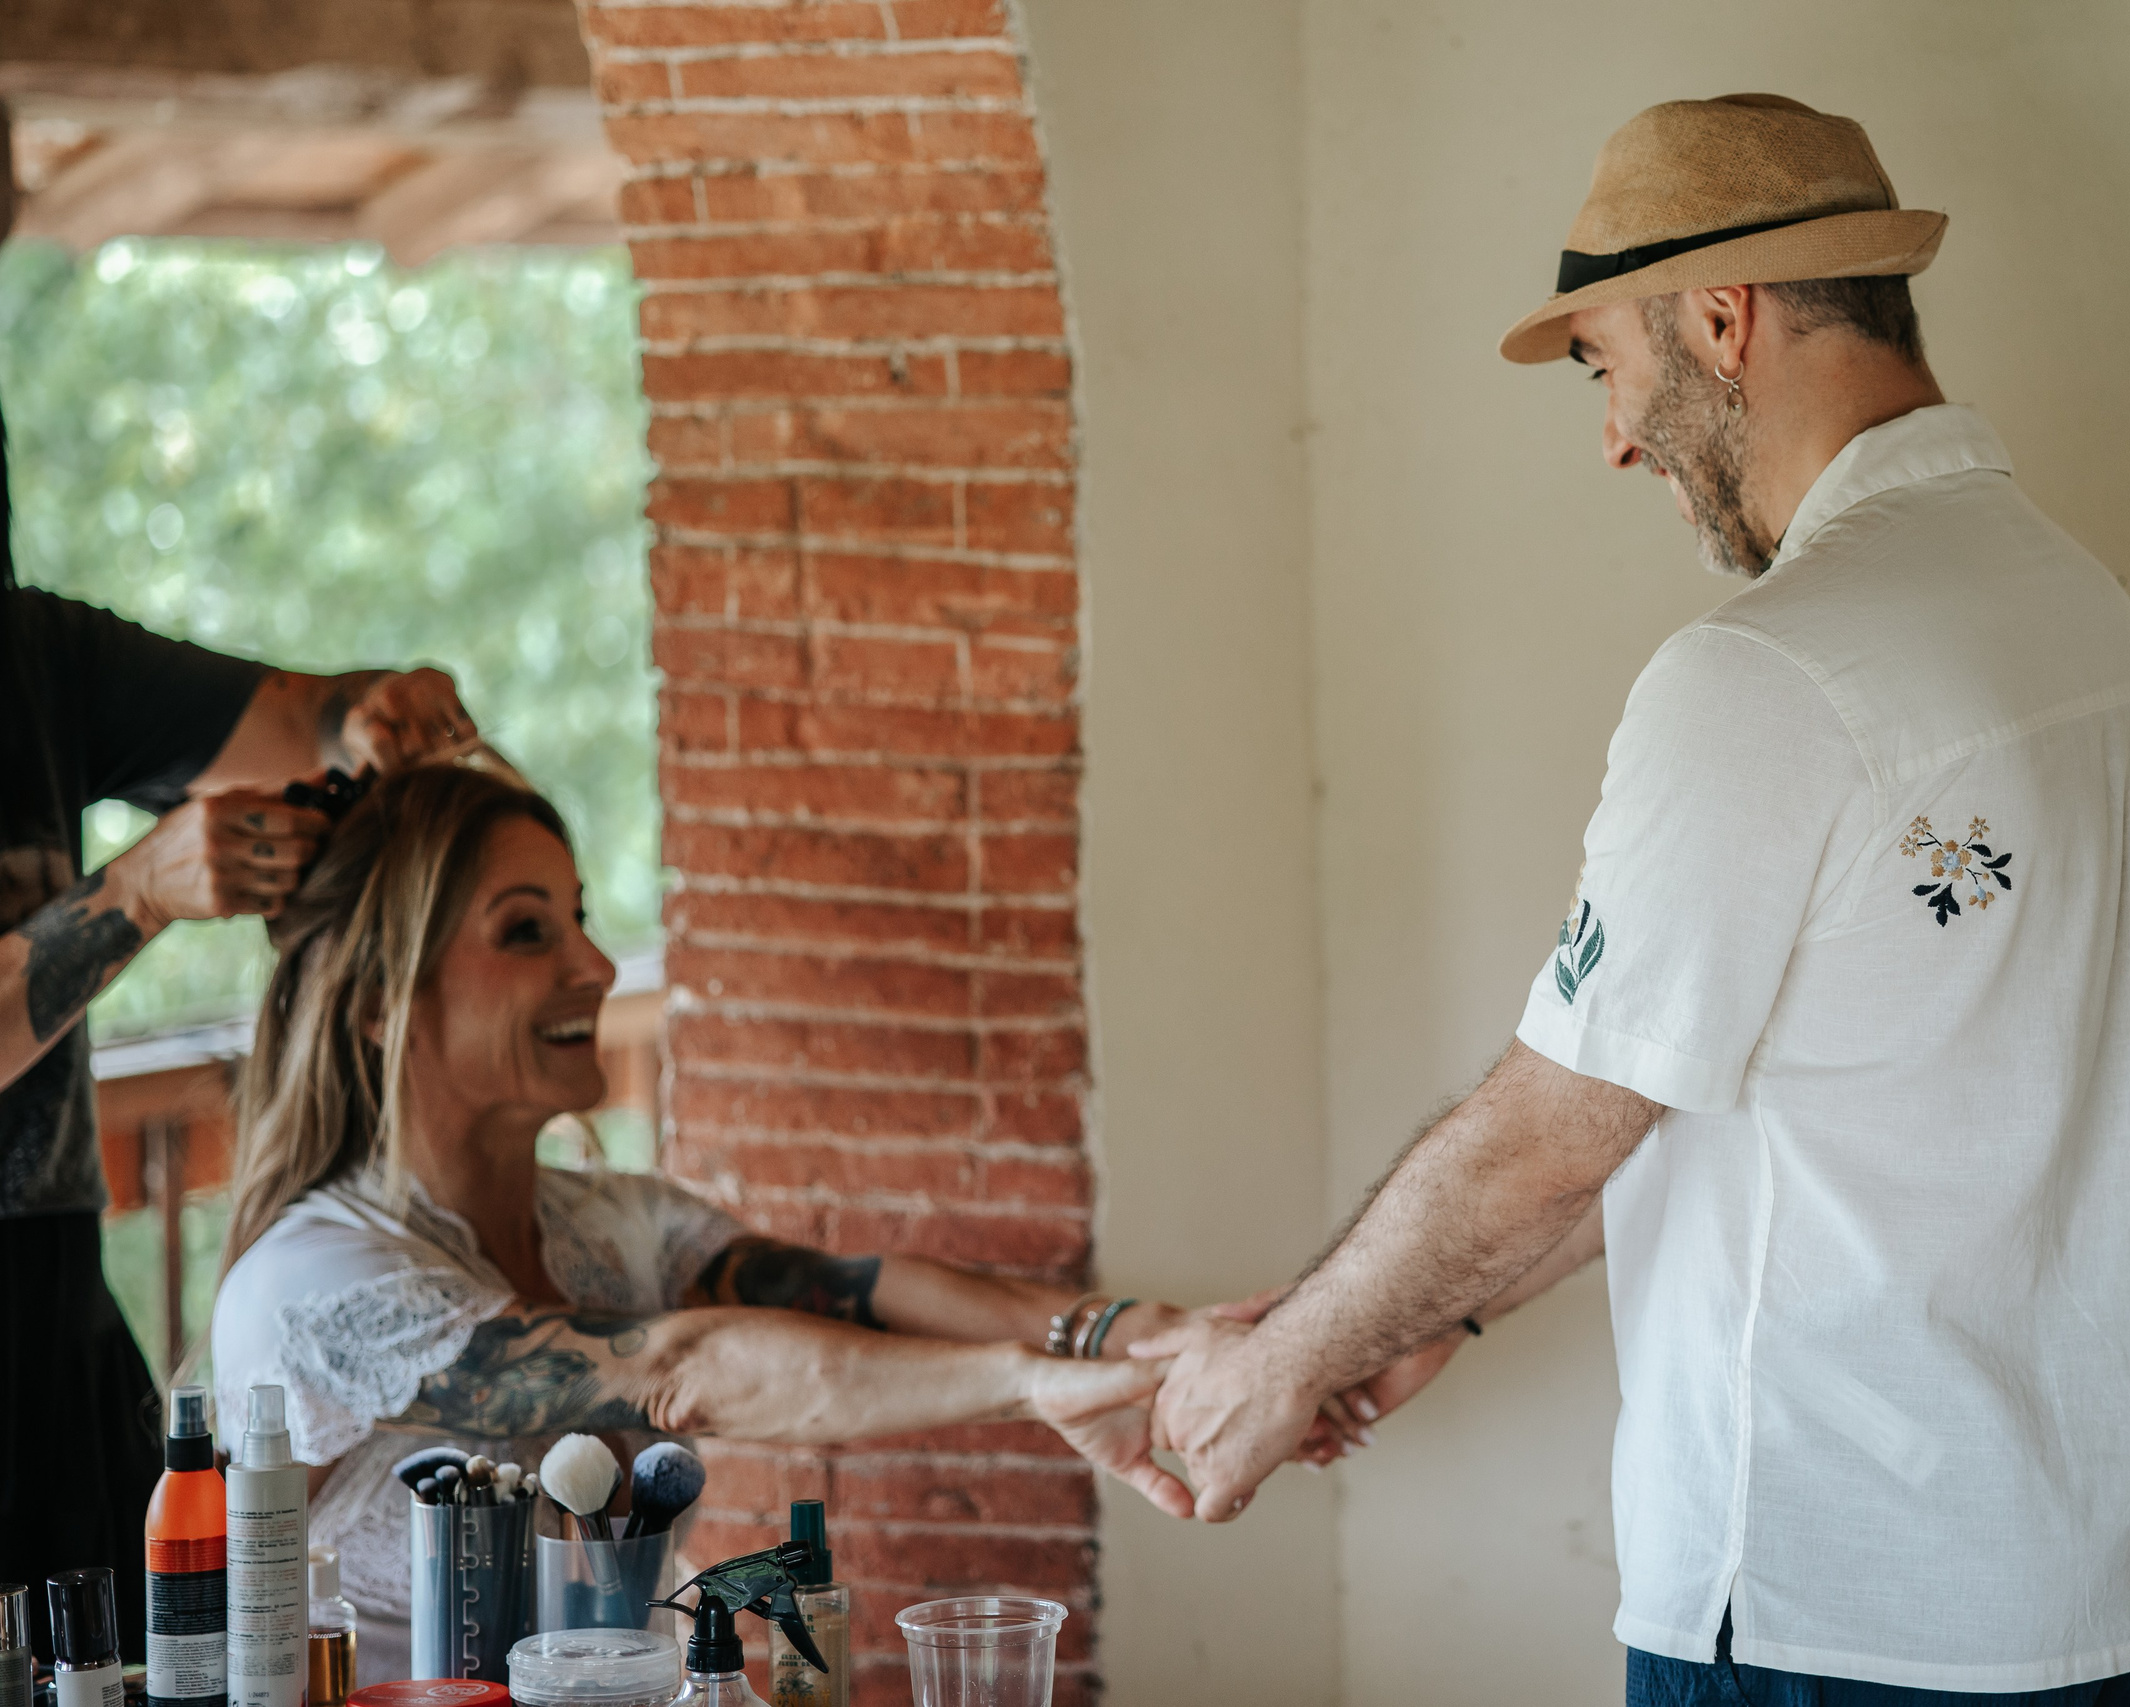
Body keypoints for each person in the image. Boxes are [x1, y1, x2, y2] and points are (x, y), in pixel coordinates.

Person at [1136, 96, 2130, 1703]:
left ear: (1724, 318)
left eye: (1606, 362)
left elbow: (1550, 1127)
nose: (1615, 434)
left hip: (1823, 1606)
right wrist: (1444, 1313)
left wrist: (1281, 1360)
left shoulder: (1770, 672)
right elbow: (1763, 1087)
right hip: (2078, 1590)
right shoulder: (2074, 605)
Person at [210, 762, 1364, 1681]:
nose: (597, 965)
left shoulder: (615, 1228)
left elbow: (849, 1287)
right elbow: (683, 1366)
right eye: (527, 933)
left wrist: (1145, 1337)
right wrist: (1028, 1386)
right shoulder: (315, 1283)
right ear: (375, 1003)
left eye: (579, 920)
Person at [0, 403, 485, 1663]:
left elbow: (299, 715)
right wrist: (135, 891)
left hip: (51, 1299)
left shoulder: (38, 652)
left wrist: (371, 715)